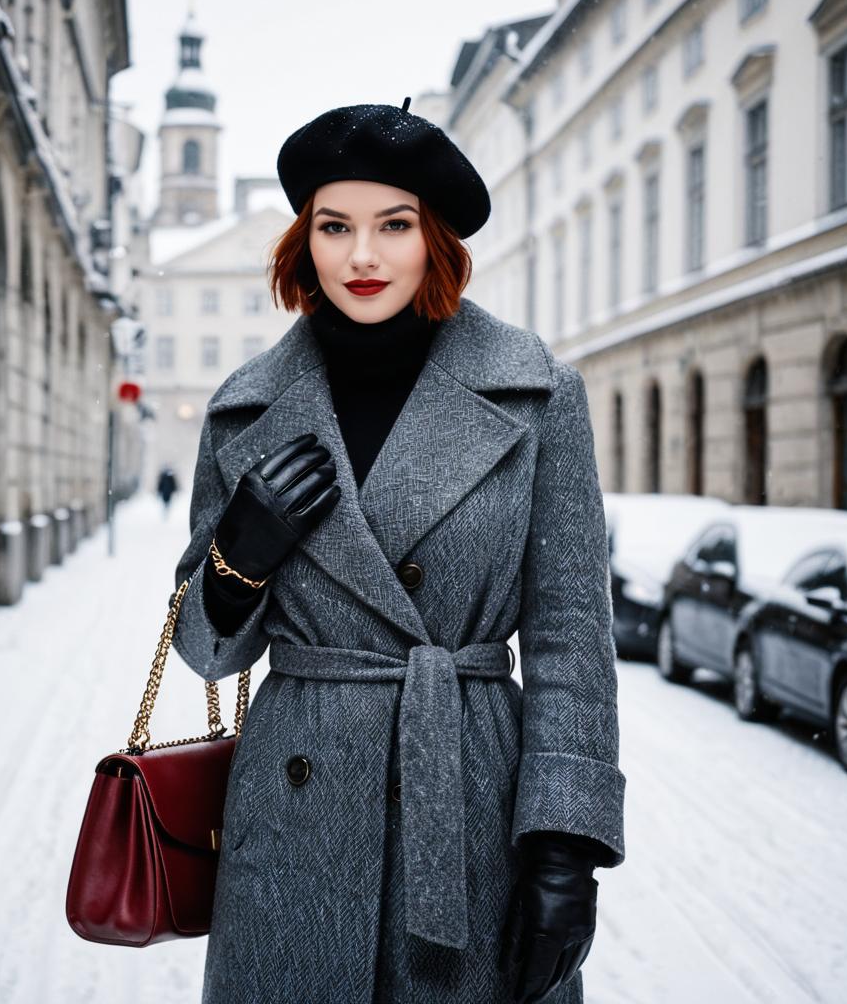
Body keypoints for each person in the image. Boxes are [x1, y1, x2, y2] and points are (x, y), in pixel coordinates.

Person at [170, 100, 626, 1004]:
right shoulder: (246, 408)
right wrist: (237, 558)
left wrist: (565, 848)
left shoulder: (536, 396)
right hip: (293, 829)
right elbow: (203, 653)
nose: (363, 257)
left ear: (435, 240)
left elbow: (573, 635)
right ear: (306, 243)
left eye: (394, 225)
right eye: (335, 228)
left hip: (469, 807)